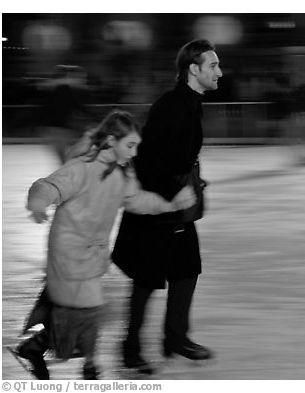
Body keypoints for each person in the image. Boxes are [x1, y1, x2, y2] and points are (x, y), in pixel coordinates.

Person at [13, 110, 197, 380]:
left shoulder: (122, 175)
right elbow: (48, 186)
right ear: (111, 141)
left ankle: (38, 347)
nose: (134, 153)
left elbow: (137, 201)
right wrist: (38, 203)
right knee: (89, 310)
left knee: (82, 313)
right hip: (68, 252)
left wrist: (170, 205)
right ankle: (88, 369)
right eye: (130, 145)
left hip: (92, 253)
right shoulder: (82, 167)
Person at [112, 39, 222, 374]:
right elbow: (145, 161)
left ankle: (175, 338)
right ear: (194, 69)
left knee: (187, 268)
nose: (220, 71)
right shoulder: (172, 106)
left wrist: (192, 182)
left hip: (176, 203)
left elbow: (178, 154)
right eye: (213, 65)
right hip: (156, 208)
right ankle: (130, 349)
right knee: (146, 279)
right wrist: (173, 194)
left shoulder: (190, 104)